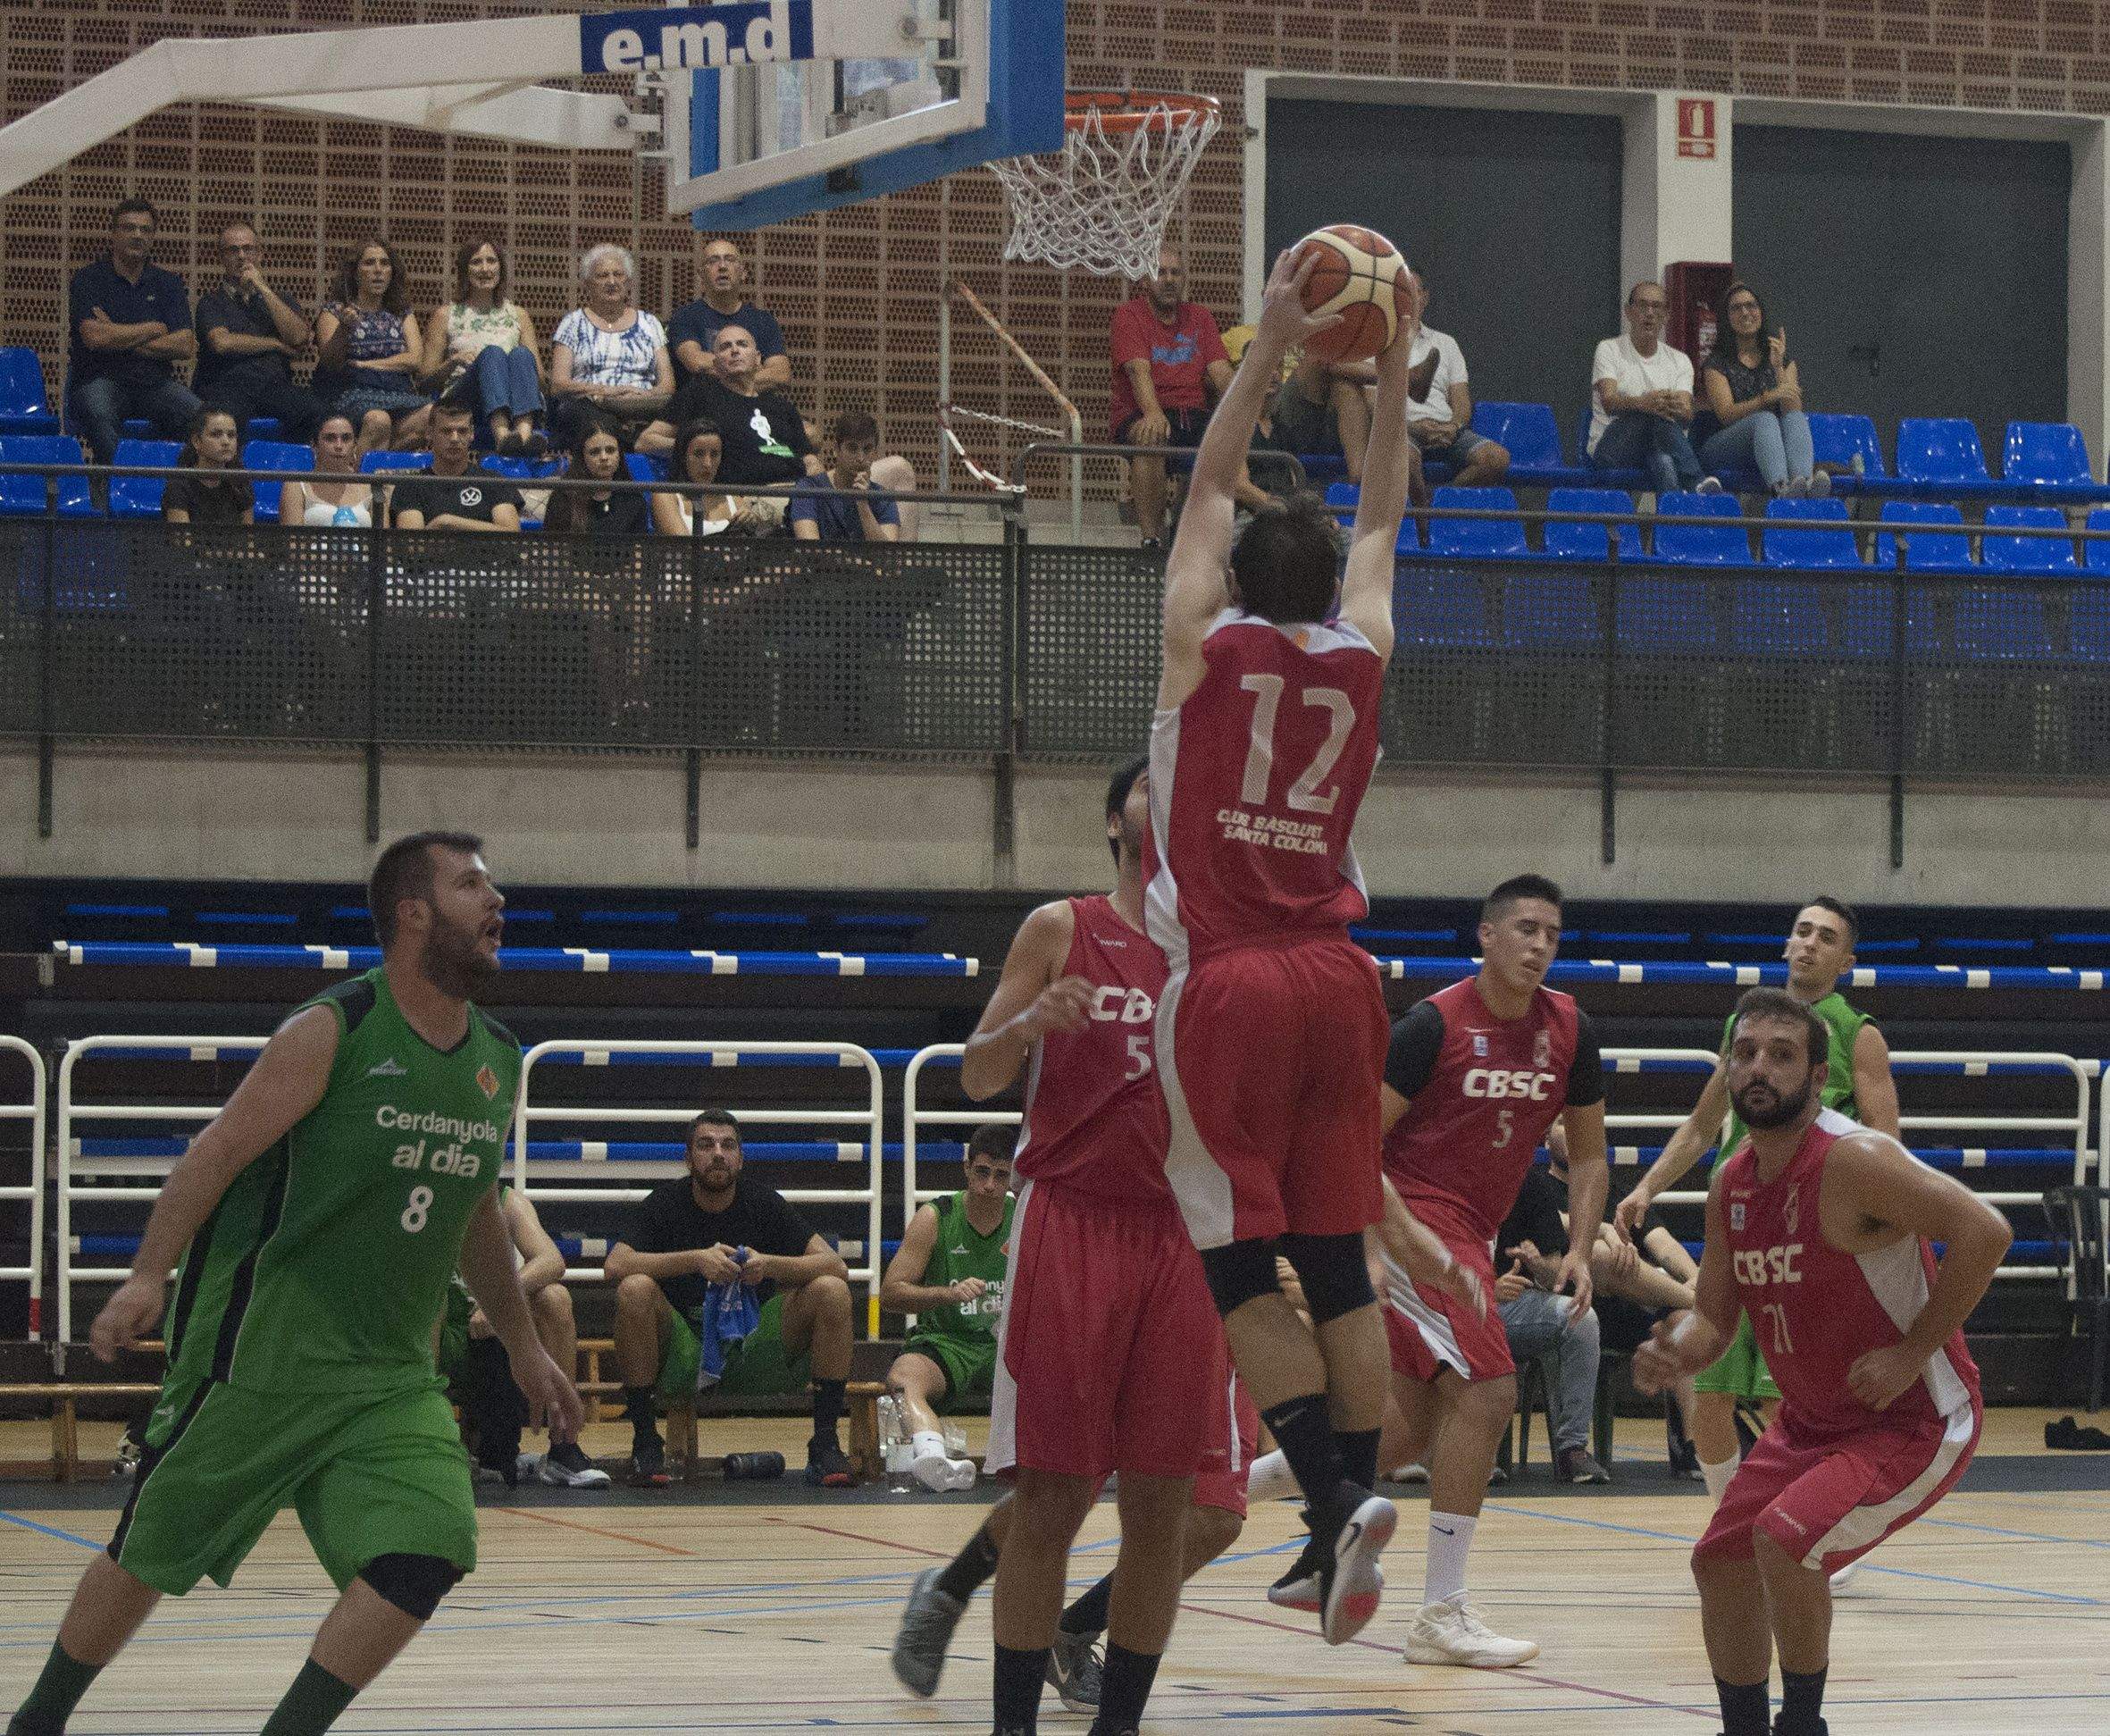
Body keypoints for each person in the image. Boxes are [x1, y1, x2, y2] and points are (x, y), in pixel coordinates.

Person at [5, 832, 581, 1736]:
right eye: (472, 884)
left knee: (427, 1551)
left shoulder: (498, 1055)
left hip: (389, 1375)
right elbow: (215, 1153)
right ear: (413, 913)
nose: (496, 899)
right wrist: (146, 1274)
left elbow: (474, 1209)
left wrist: (523, 1345)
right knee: (147, 1554)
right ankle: (38, 1719)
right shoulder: (334, 1026)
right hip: (259, 1353)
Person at [1145, 248, 1461, 1648]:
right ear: (1329, 578)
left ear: (1236, 574)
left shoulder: (1200, 643)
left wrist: (1265, 345)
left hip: (1232, 977)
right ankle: (1345, 1501)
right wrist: (1390, 369)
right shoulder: (1367, 645)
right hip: (1347, 979)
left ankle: (1333, 1502)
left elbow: (1207, 484)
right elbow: (1385, 504)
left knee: (1229, 1260)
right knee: (1334, 1256)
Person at [942, 754, 1256, 1736]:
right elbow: (977, 1078)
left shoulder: (1224, 946)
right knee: (1052, 1497)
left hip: (1182, 1233)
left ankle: (1117, 1721)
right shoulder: (1060, 926)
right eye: (1147, 784)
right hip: (1073, 1219)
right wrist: (1032, 1017)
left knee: (1161, 1507)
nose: (1166, 798)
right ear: (1115, 819)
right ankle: (1011, 1724)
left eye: (1181, 783)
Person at [1634, 987, 2006, 1736]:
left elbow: (1987, 1232)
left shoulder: (1855, 1158)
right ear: (1728, 1070)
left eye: (1781, 1053)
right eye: (1745, 1054)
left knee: (1784, 1537)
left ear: (1816, 1070)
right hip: (1811, 1422)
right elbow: (1715, 1321)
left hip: (1913, 1418)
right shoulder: (1731, 1182)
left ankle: (1801, 1725)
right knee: (1720, 1561)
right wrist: (1670, 1350)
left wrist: (1911, 1351)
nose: (1759, 1068)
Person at [1299, 874, 1607, 1667]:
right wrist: (1375, 1244)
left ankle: (1252, 1506)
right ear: (1487, 935)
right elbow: (1356, 1141)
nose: (1541, 943)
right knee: (1490, 1389)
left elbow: (1592, 1152)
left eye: (1553, 932)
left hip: (1479, 1229)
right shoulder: (1431, 1024)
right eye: (1526, 928)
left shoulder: (1569, 1027)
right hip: (1417, 1227)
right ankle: (1440, 1612)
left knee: (1405, 1428)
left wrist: (1580, 1243)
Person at [1615, 897, 1900, 1560]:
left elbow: (1887, 1144)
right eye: (1801, 930)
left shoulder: (1856, 1034)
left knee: (1793, 1407)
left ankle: (1813, 1533)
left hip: (1810, 1238)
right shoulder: (1743, 1029)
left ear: (1846, 959)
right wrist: (1647, 1186)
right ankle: (1735, 1524)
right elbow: (1699, 1125)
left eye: (1826, 936)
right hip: (1741, 1227)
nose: (1809, 943)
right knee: (1709, 1397)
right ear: (1785, 943)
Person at [892, 1375, 1258, 1716]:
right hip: (1094, 1313)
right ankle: (950, 1589)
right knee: (1056, 1495)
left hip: (1207, 1328)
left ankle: (1071, 1634)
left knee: (1215, 1518)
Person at [605, 1109, 857, 1489]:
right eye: (706, 1145)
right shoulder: (664, 1203)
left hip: (754, 1345)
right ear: (688, 1157)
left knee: (832, 1291)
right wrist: (694, 1259)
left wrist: (770, 1264)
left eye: (728, 1145)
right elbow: (615, 1265)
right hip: (685, 1348)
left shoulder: (764, 1201)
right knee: (634, 1289)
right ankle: (645, 1443)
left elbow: (836, 1266)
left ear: (741, 1157)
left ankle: (824, 1444)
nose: (718, 1154)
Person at [436, 1185, 608, 1489]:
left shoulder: (505, 1199)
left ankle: (563, 1448)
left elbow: (551, 1260)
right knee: (433, 1304)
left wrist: (498, 1301)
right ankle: (428, 1441)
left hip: (485, 1333)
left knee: (554, 1297)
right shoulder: (417, 1189)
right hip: (429, 1332)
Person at [879, 1125, 1017, 1492]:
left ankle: (1065, 1462)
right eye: (982, 1172)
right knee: (902, 1379)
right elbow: (891, 1294)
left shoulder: (1024, 1215)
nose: (989, 1184)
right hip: (946, 1342)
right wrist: (947, 1294)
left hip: (1005, 1344)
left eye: (1001, 1175)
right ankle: (932, 1457)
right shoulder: (935, 1216)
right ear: (967, 1167)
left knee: (1069, 1363)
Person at [1110, 246, 1275, 547]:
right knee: (1152, 434)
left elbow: (1222, 374)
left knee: (1229, 432)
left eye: (1176, 273)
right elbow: (1138, 372)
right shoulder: (1129, 315)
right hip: (1144, 412)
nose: (1169, 280)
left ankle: (1207, 529)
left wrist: (1247, 404)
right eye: (1161, 273)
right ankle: (1152, 541)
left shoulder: (1200, 317)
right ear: (1146, 281)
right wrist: (1153, 412)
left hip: (1193, 413)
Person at [1493, 1162, 1610, 1485]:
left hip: (1513, 1308)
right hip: (1457, 1305)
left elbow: (1555, 1272)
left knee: (1581, 1316)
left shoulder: (1530, 1180)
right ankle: (1465, 1450)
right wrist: (1486, 1288)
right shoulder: (1452, 1175)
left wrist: (1536, 1263)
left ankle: (1572, 1448)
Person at [65, 197, 199, 466]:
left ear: (152, 237)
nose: (138, 235)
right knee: (99, 414)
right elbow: (94, 338)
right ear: (113, 234)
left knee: (203, 418)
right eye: (129, 228)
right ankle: (120, 490)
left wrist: (116, 334)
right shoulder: (88, 279)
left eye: (145, 230)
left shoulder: (168, 283)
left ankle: (176, 492)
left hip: (154, 383)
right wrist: (153, 328)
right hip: (99, 379)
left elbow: (185, 345)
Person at [635, 324, 819, 499]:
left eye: (742, 344)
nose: (735, 350)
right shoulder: (701, 393)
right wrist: (699, 447)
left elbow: (809, 460)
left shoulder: (782, 407)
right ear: (715, 364)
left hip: (796, 495)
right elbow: (645, 442)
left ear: (758, 359)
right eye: (725, 347)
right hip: (741, 499)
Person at [192, 222, 323, 445]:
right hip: (226, 386)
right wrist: (274, 344)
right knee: (221, 425)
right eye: (233, 250)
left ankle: (288, 470)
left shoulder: (280, 299)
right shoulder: (210, 301)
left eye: (248, 249)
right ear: (221, 258)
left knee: (317, 412)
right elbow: (222, 343)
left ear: (259, 254)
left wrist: (262, 289)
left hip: (272, 387)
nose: (242, 256)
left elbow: (300, 337)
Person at [1587, 281, 1720, 497]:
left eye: (1657, 307)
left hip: (1659, 447)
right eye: (1642, 305)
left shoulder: (1680, 360)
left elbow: (1686, 415)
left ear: (1666, 315)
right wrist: (1644, 403)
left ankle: (1671, 526)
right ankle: (1696, 480)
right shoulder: (1608, 349)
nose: (1649, 313)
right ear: (1628, 312)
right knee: (1651, 414)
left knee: (1665, 462)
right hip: (1612, 447)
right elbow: (1609, 402)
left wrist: (1671, 406)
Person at [1698, 281, 1826, 499]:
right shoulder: (1716, 363)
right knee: (1765, 419)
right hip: (1722, 445)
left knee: (1795, 418)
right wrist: (1766, 398)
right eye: (1736, 308)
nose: (1745, 312)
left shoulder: (1781, 357)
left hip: (1770, 448)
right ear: (1727, 318)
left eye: (1751, 306)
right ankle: (1781, 489)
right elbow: (1726, 415)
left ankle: (1803, 484)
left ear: (1761, 312)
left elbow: (1792, 408)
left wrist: (1778, 369)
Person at [419, 239, 545, 457]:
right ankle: (503, 436)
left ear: (501, 269)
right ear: (465, 271)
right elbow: (423, 380)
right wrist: (453, 362)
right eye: (476, 262)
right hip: (464, 399)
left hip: (514, 399)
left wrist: (516, 370)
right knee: (492, 353)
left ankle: (524, 437)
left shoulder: (518, 315)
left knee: (521, 354)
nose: (485, 269)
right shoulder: (446, 315)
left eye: (491, 261)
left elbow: (540, 377)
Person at [548, 244, 672, 446]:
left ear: (629, 282)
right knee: (586, 415)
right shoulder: (573, 323)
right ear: (587, 284)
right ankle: (634, 441)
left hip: (643, 406)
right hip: (591, 406)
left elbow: (668, 384)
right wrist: (607, 392)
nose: (612, 282)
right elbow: (559, 385)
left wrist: (644, 394)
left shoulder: (650, 323)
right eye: (602, 276)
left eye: (618, 275)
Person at [314, 242, 431, 454]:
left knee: (432, 415)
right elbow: (329, 361)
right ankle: (359, 482)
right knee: (379, 420)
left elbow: (414, 360)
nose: (378, 270)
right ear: (355, 273)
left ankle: (364, 462)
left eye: (385, 264)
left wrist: (366, 364)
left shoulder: (401, 313)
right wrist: (344, 329)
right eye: (369, 263)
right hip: (351, 391)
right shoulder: (334, 311)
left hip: (397, 391)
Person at [1404, 273, 1510, 490]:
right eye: (1403, 292)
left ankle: (1438, 504)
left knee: (1496, 459)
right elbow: (1374, 402)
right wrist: (1413, 427)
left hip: (1445, 428)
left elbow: (1461, 402)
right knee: (1406, 463)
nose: (1410, 299)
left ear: (1424, 298)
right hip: (1403, 428)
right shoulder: (1381, 340)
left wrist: (1453, 427)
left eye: (1414, 292)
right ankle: (1422, 518)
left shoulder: (1446, 343)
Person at [668, 237, 791, 390]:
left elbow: (781, 374)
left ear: (743, 273)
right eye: (713, 261)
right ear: (701, 275)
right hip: (703, 409)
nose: (722, 266)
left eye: (730, 259)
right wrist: (750, 367)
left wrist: (726, 372)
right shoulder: (685, 317)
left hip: (753, 410)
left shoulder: (763, 321)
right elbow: (696, 362)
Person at [386, 400, 521, 533]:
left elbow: (511, 537)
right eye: (446, 431)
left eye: (462, 431)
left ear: (471, 433)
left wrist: (447, 523)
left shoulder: (493, 481)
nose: (455, 439)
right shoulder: (410, 485)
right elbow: (412, 546)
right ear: (430, 433)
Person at [790, 409, 900, 544]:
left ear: (875, 453)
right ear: (836, 450)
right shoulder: (808, 488)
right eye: (852, 448)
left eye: (867, 449)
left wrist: (862, 504)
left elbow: (888, 558)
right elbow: (810, 549)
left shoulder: (883, 498)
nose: (860, 458)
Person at [541, 415, 650, 537]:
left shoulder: (633, 499)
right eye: (594, 452)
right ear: (582, 457)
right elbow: (553, 548)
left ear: (619, 454)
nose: (604, 457)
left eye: (610, 450)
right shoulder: (562, 496)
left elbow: (639, 551)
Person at [649, 418, 752, 538]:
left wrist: (750, 524)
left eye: (714, 454)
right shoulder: (665, 496)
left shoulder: (734, 499)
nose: (707, 463)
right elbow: (684, 547)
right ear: (683, 456)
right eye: (698, 454)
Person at [160, 405, 252, 527]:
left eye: (231, 435)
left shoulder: (240, 481)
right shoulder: (178, 485)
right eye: (216, 434)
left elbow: (249, 539)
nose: (226, 442)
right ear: (197, 441)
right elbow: (182, 542)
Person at [277, 414, 373, 529]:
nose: (339, 446)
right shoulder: (296, 485)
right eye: (330, 438)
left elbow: (383, 542)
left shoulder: (371, 487)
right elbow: (292, 542)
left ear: (355, 446)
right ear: (314, 445)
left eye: (346, 438)